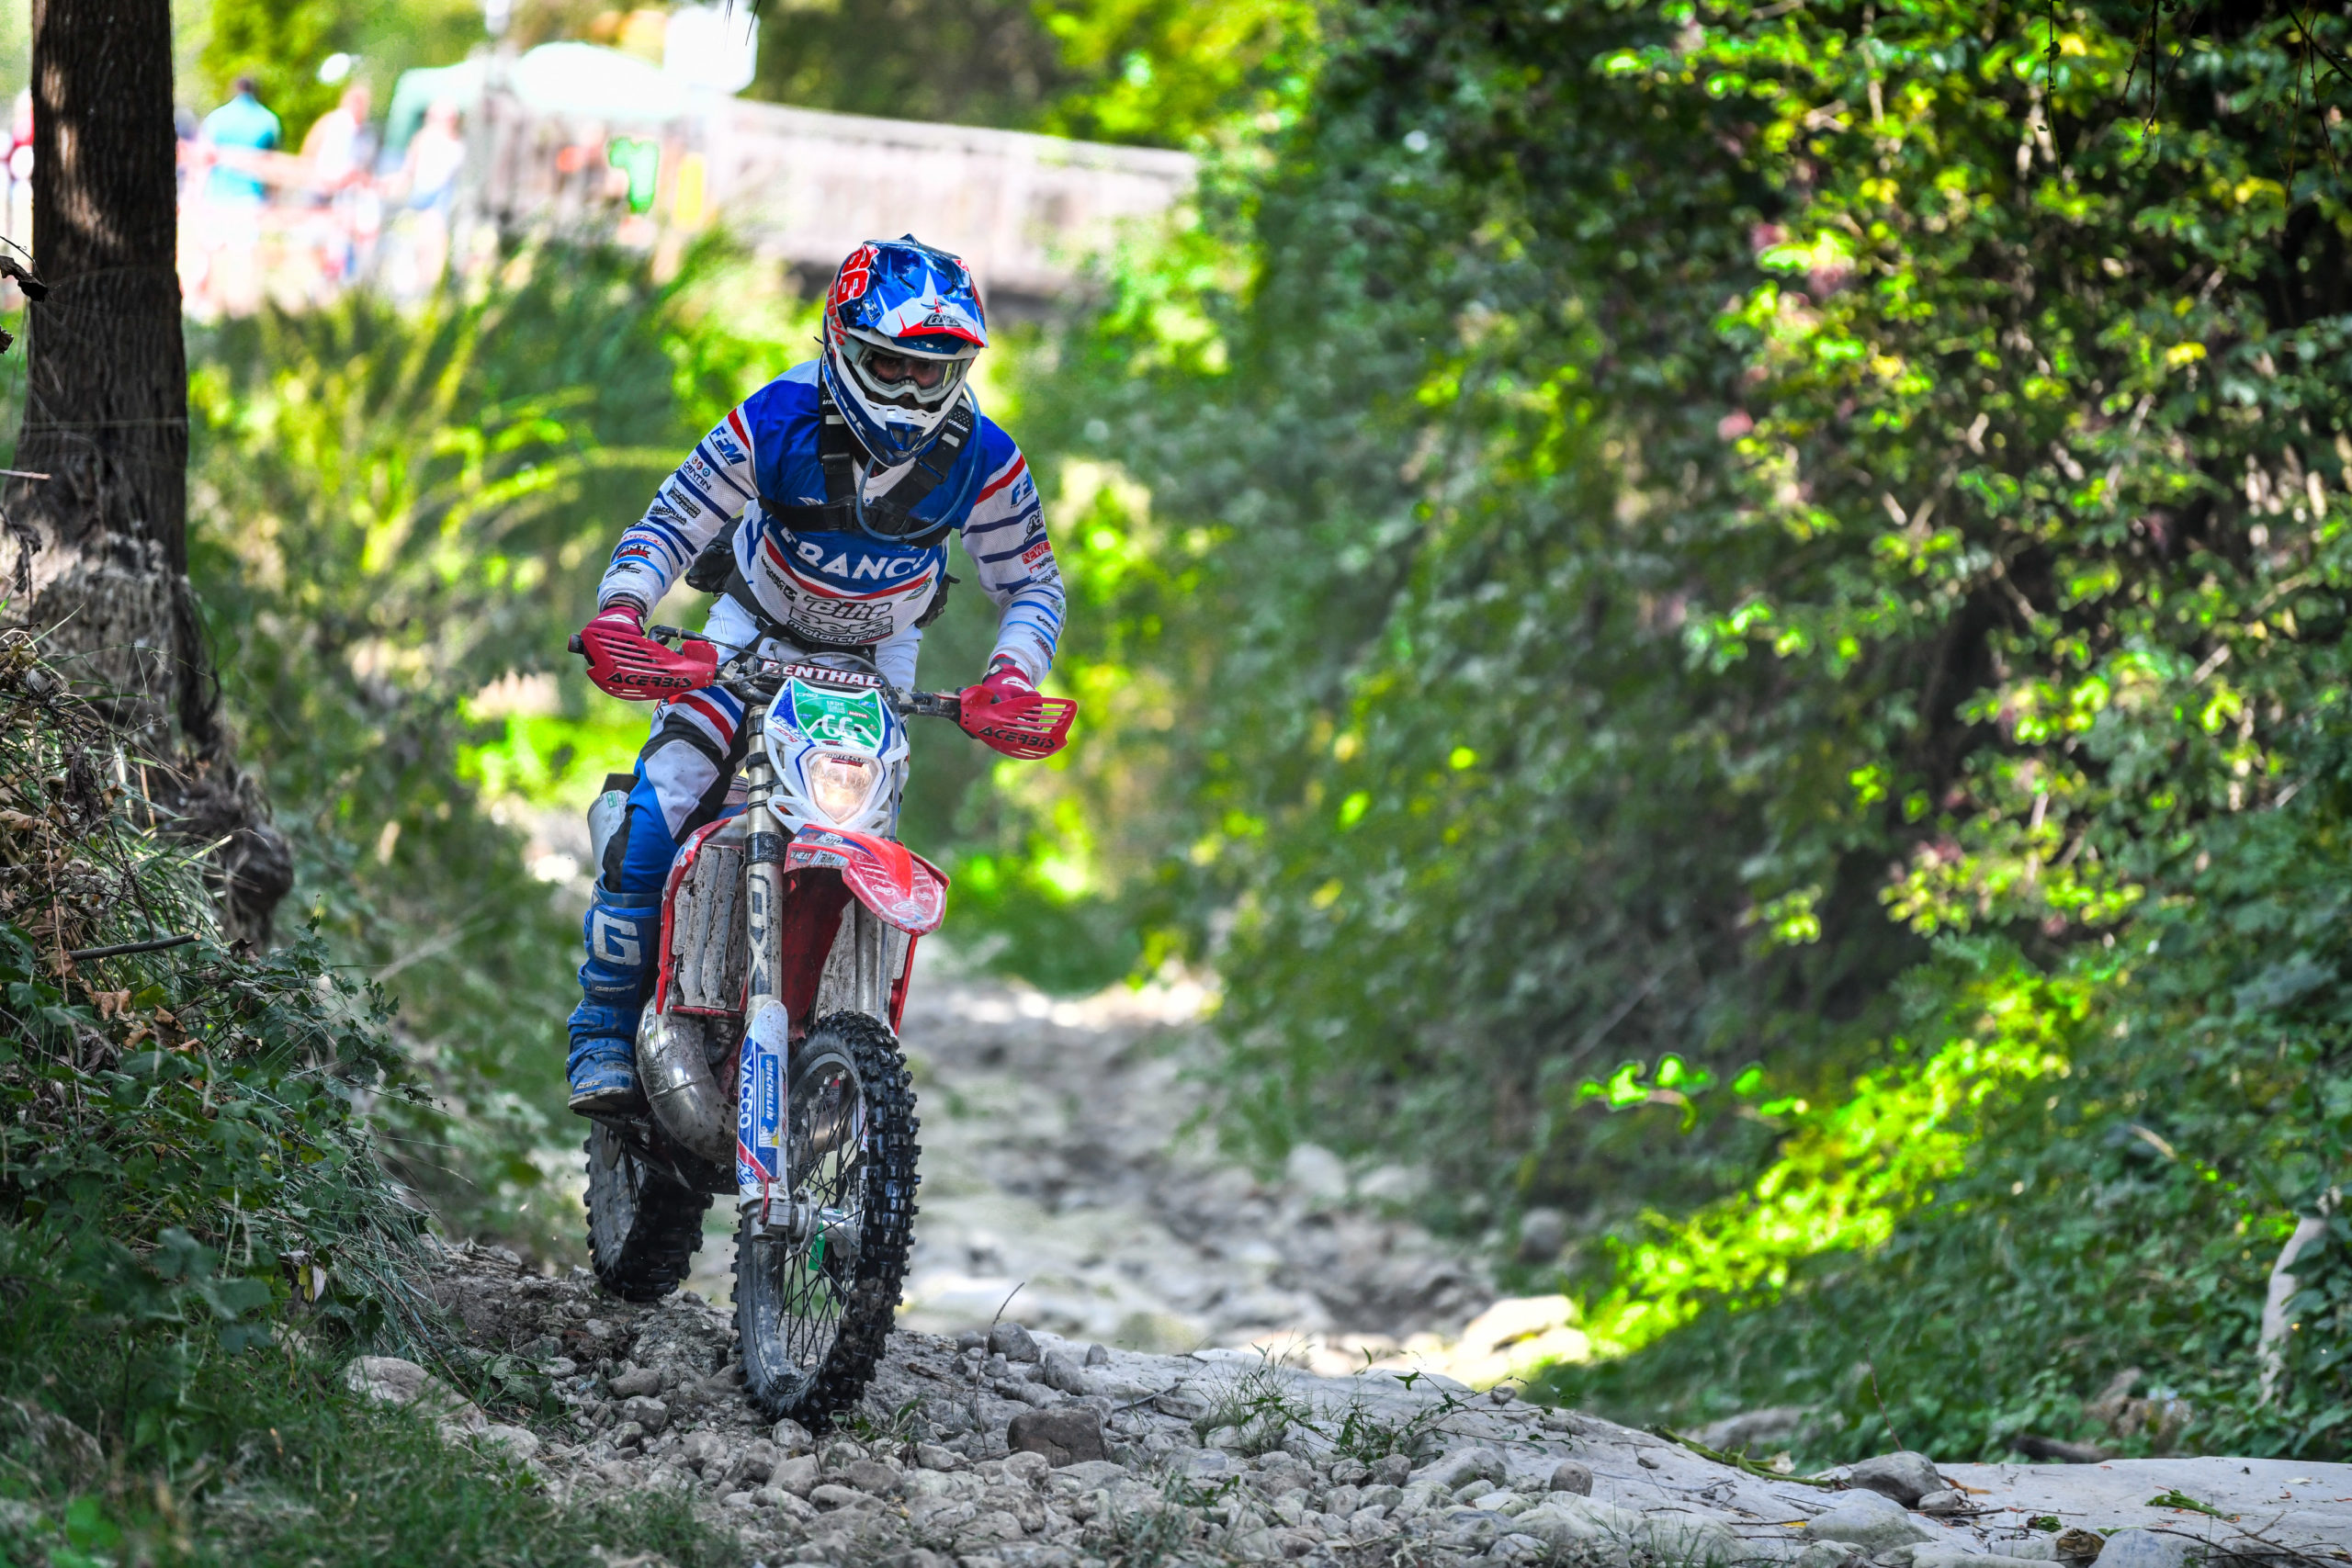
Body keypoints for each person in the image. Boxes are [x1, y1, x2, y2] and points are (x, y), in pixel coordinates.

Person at [564, 235, 1066, 1111]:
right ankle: (602, 1029)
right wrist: (622, 609)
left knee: (864, 843)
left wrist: (1013, 674)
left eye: (929, 370)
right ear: (840, 342)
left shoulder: (984, 457)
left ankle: (835, 1055)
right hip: (748, 638)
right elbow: (674, 520)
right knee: (662, 804)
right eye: (889, 363)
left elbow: (1032, 580)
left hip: (876, 665)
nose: (908, 389)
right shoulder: (776, 417)